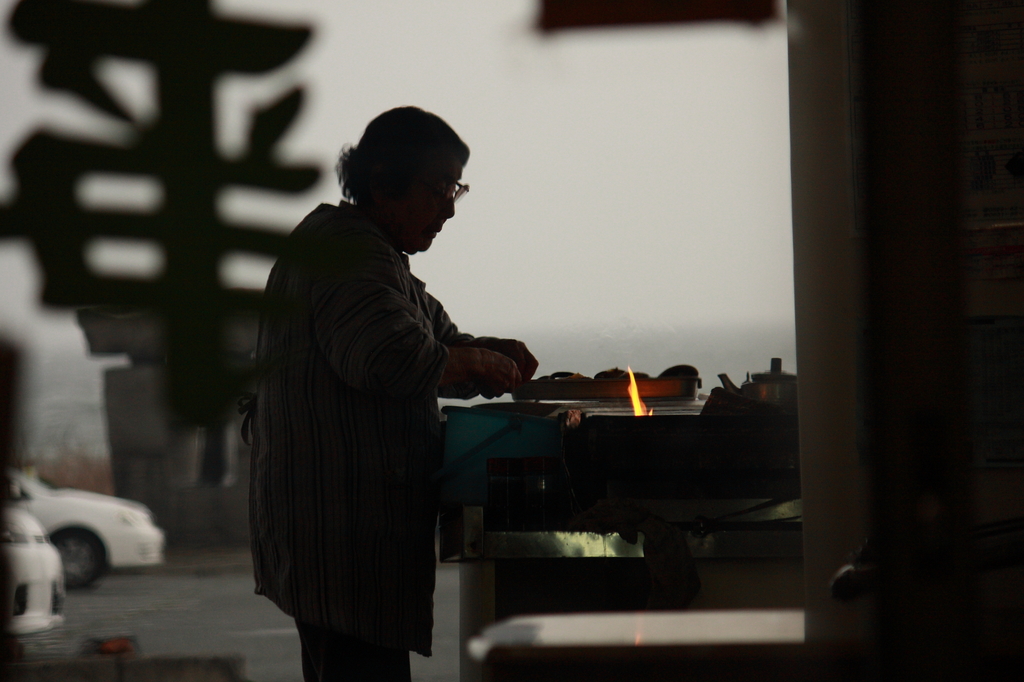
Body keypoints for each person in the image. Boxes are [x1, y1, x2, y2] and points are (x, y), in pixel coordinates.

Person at [248, 107, 538, 682]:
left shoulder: (375, 257)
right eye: (438, 190)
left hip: (346, 542)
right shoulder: (348, 253)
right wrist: (478, 361)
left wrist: (487, 352)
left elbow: (435, 339)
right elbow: (391, 358)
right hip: (343, 546)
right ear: (383, 182)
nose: (450, 209)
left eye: (456, 190)